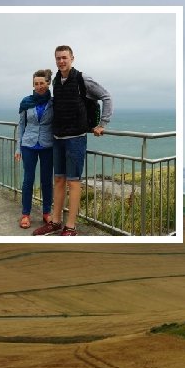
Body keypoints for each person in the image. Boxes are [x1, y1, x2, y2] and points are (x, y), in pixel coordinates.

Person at [33, 45, 113, 236]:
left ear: (72, 58)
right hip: (58, 138)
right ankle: (55, 222)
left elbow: (106, 96)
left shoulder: (81, 79)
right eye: (58, 58)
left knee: (74, 182)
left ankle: (71, 226)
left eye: (64, 58)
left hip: (76, 139)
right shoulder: (57, 82)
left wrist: (102, 123)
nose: (61, 61)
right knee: (59, 180)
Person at [15, 69, 54, 229]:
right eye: (36, 84)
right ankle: (25, 214)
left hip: (48, 145)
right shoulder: (26, 102)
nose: (39, 86)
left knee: (46, 180)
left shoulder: (53, 103)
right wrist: (18, 148)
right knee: (28, 180)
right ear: (33, 84)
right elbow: (21, 125)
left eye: (42, 83)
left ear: (48, 83)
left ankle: (46, 212)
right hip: (28, 145)